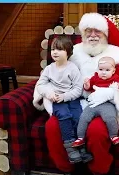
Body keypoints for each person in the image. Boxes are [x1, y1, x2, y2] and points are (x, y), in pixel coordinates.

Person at [42, 12, 119, 175]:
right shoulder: (73, 53)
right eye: (89, 31)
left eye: (97, 31)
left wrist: (110, 93)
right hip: (74, 102)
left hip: (107, 106)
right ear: (83, 33)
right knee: (52, 126)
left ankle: (98, 171)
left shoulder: (117, 55)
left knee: (96, 131)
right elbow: (56, 75)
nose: (93, 35)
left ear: (105, 34)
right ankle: (68, 169)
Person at [33, 36, 93, 164]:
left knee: (78, 117)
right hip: (56, 99)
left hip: (71, 98)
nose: (55, 52)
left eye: (59, 49)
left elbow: (78, 89)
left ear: (68, 52)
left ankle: (81, 146)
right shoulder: (49, 69)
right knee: (64, 116)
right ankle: (70, 148)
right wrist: (50, 94)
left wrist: (65, 96)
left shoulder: (73, 68)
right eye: (53, 49)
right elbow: (40, 85)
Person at [72, 56, 119, 148]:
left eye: (107, 70)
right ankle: (80, 137)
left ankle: (113, 135)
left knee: (110, 117)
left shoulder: (116, 78)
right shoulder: (95, 78)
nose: (103, 72)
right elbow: (88, 88)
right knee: (84, 117)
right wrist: (87, 85)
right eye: (101, 69)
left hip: (107, 104)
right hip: (93, 103)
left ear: (113, 71)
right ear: (97, 70)